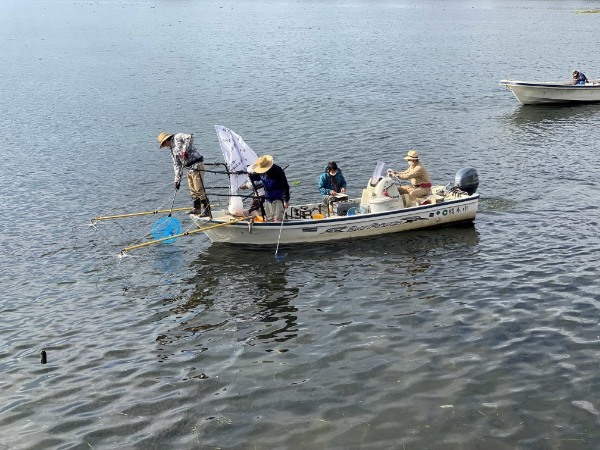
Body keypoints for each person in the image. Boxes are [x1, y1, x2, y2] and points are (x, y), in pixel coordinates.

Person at [158, 132, 209, 216]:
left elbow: (189, 137)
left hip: (197, 164)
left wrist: (184, 150)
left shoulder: (178, 137)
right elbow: (177, 165)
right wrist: (177, 180)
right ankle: (197, 209)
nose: (165, 146)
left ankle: (207, 210)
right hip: (189, 167)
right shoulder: (172, 150)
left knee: (199, 188)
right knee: (192, 189)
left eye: (164, 144)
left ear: (166, 140)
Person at [249, 155, 290, 222]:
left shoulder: (277, 171)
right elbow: (256, 177)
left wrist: (286, 200)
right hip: (268, 197)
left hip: (278, 197)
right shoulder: (262, 172)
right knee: (269, 218)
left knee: (279, 218)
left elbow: (285, 186)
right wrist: (250, 175)